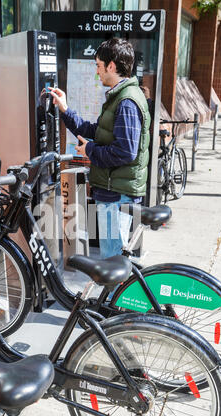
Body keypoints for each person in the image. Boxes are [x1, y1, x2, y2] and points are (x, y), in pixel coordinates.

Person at [50, 37, 151, 259]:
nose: (97, 72)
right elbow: (96, 130)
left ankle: (117, 295)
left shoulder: (126, 102)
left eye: (98, 65)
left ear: (111, 66)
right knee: (113, 260)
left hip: (116, 195)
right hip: (114, 191)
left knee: (112, 261)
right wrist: (66, 110)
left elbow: (125, 152)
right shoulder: (121, 98)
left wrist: (90, 151)